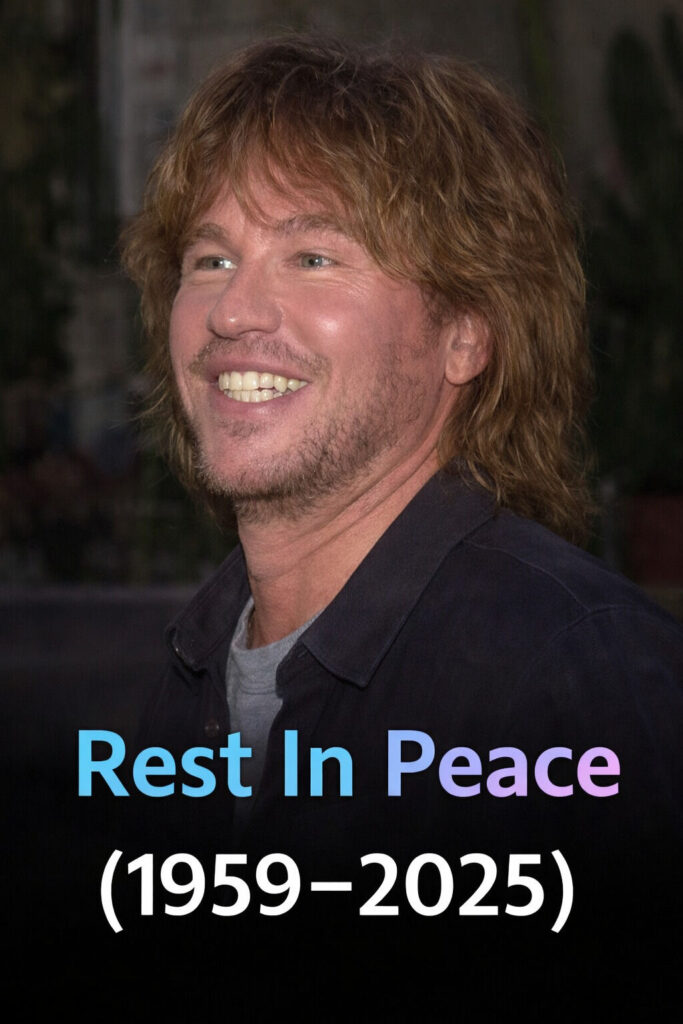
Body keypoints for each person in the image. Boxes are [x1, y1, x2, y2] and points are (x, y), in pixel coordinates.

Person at [121, 35, 682, 1015]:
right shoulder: (192, 676)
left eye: (312, 256)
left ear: (464, 333)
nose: (232, 310)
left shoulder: (574, 678)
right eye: (210, 259)